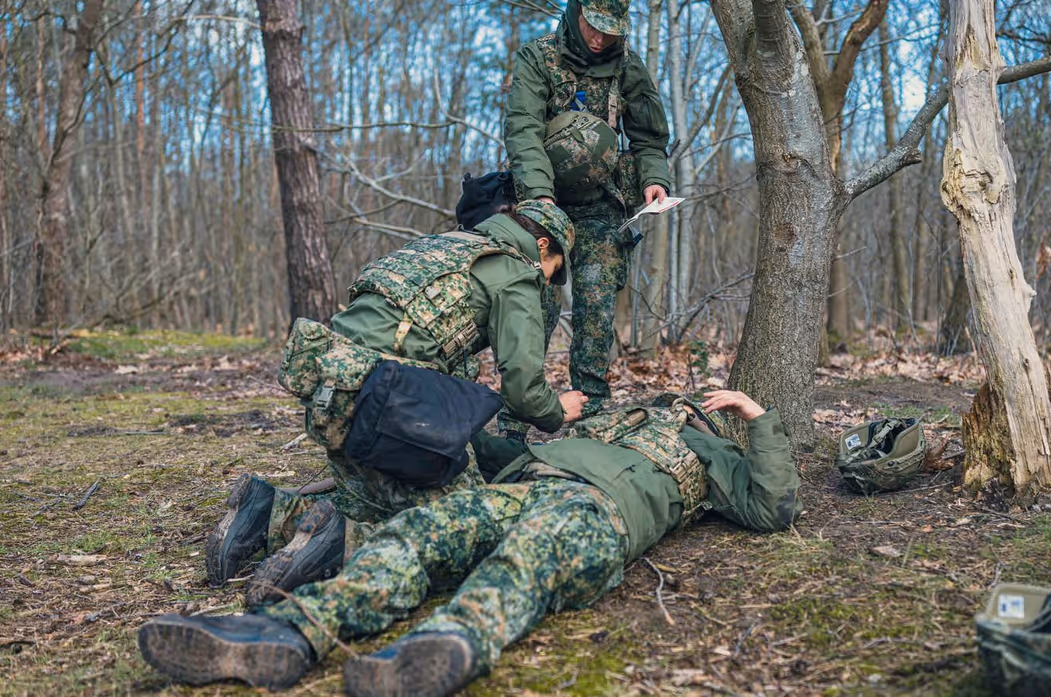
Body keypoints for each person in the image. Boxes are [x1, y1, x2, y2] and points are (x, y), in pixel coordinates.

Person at [138, 390, 801, 696]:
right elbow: (507, 446)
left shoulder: (712, 457)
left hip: (594, 515)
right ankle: (289, 631)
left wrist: (755, 417)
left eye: (698, 407)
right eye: (678, 400)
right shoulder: (608, 422)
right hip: (523, 487)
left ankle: (446, 646)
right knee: (417, 533)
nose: (681, 407)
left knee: (529, 557)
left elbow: (772, 506)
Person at [205, 200, 590, 606]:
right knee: (464, 528)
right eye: (554, 269)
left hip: (331, 397)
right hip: (387, 405)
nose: (550, 283)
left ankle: (264, 510)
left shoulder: (445, 246)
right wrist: (556, 409)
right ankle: (338, 544)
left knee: (370, 503)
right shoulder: (516, 272)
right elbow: (524, 390)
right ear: (542, 245)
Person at [499, 0, 673, 439]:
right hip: (545, 205)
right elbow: (524, 129)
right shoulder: (538, 56)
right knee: (535, 307)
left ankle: (591, 416)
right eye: (593, 27)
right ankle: (515, 421)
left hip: (601, 203)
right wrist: (539, 197)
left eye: (609, 31)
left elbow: (650, 137)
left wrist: (655, 181)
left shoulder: (627, 65)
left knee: (596, 306)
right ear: (577, 13)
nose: (599, 38)